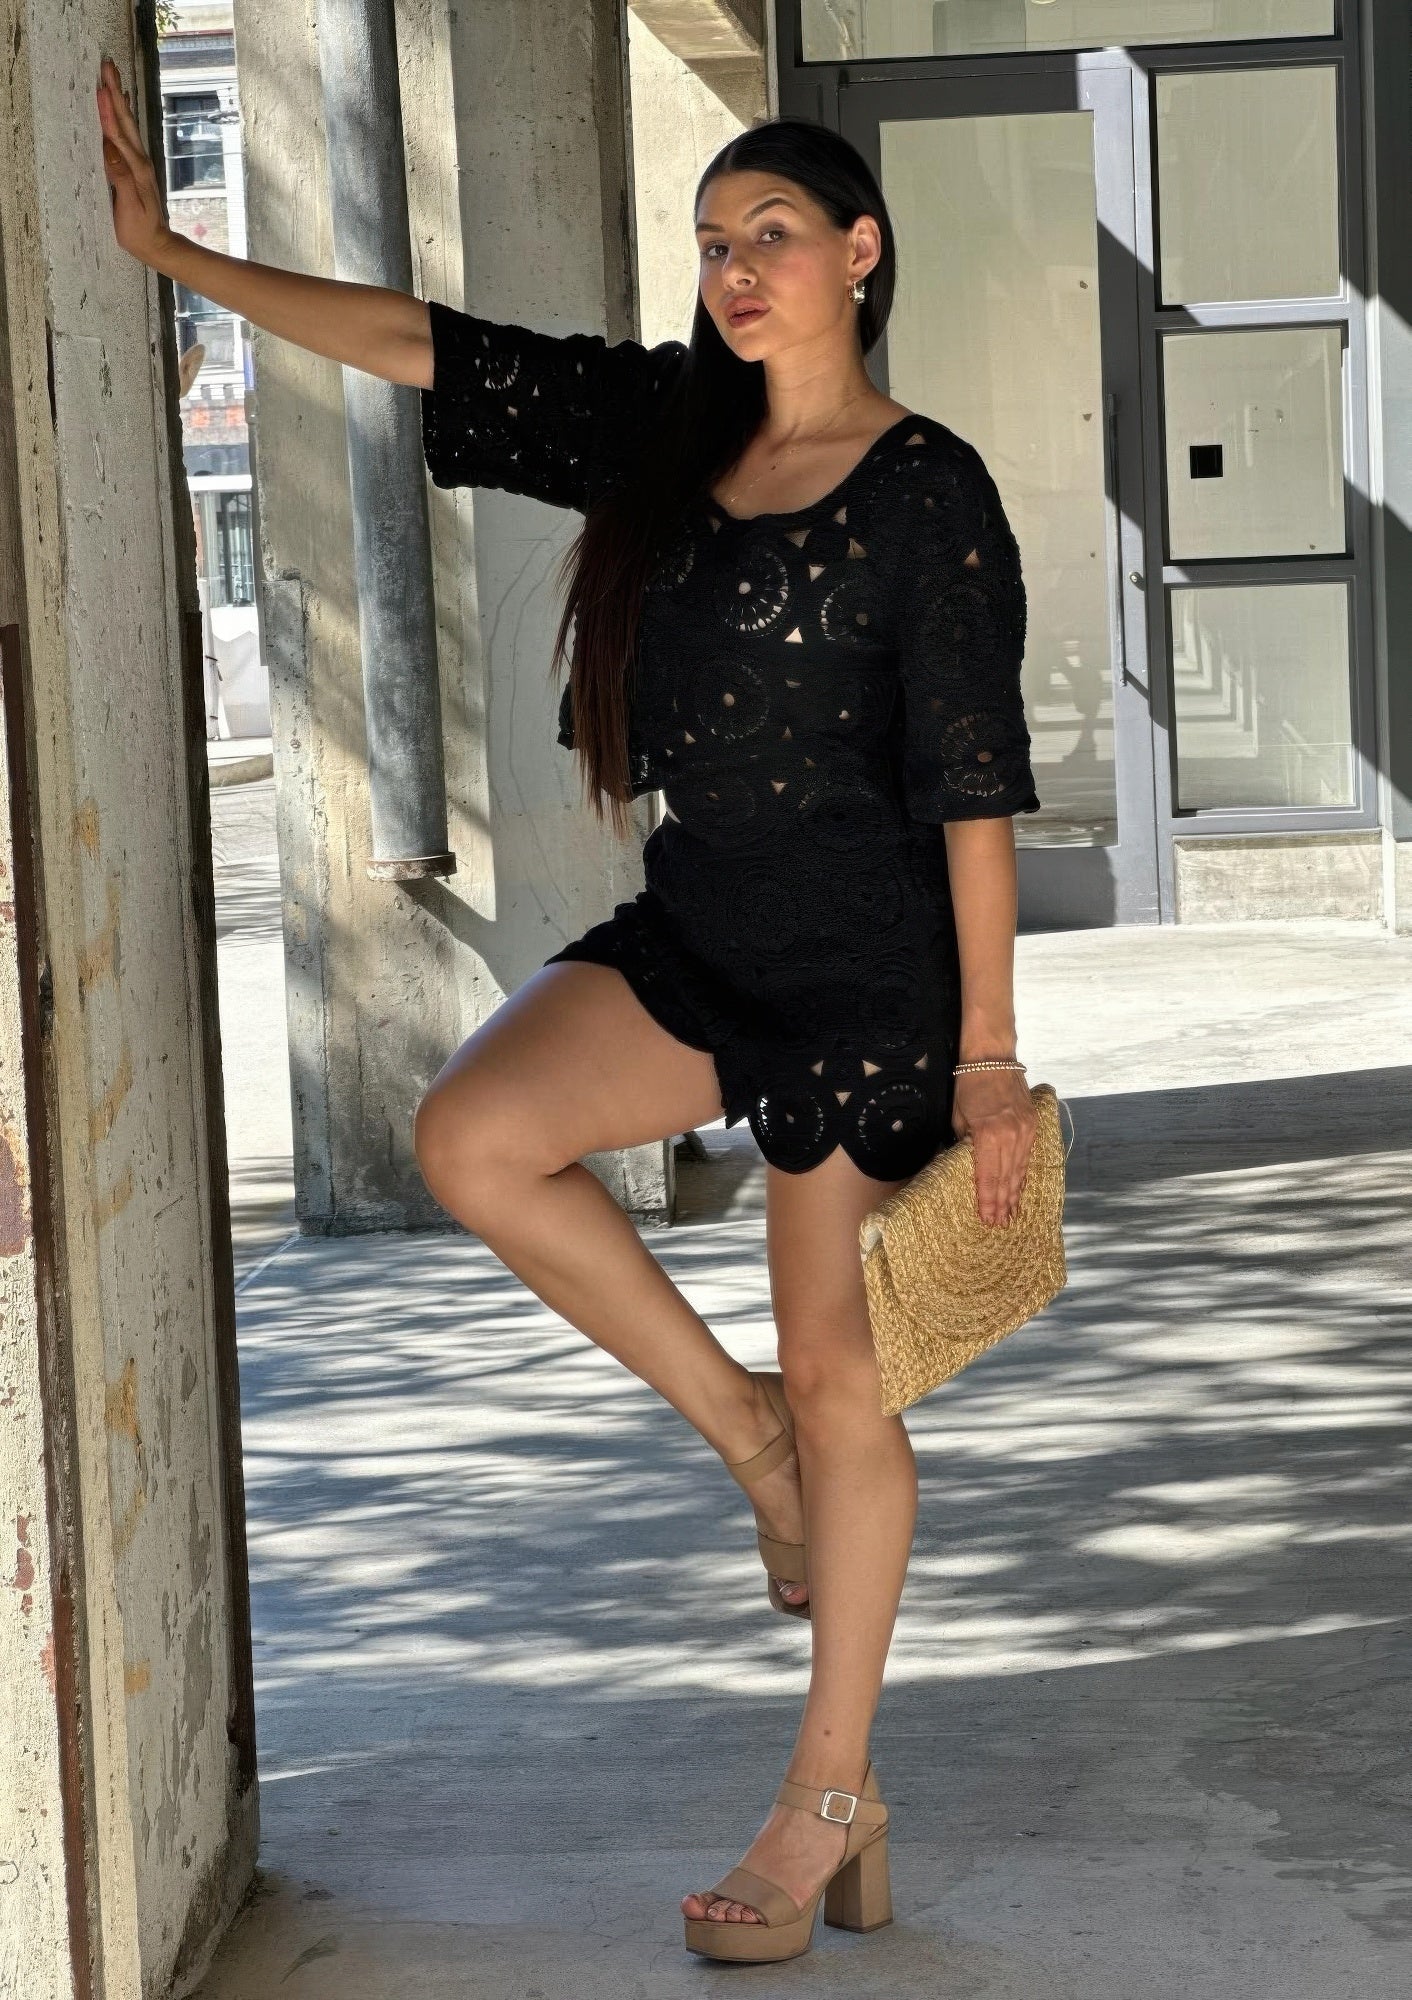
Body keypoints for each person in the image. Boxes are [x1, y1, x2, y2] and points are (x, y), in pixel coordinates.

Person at [99, 61, 1040, 1965]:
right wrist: (176, 250)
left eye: (770, 235)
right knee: (473, 1135)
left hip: (870, 982)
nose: (733, 271)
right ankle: (749, 1447)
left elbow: (973, 787)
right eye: (710, 245)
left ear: (862, 254)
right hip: (700, 934)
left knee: (852, 1376)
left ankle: (827, 1800)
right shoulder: (663, 432)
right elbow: (427, 344)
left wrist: (992, 1058)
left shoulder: (931, 492)